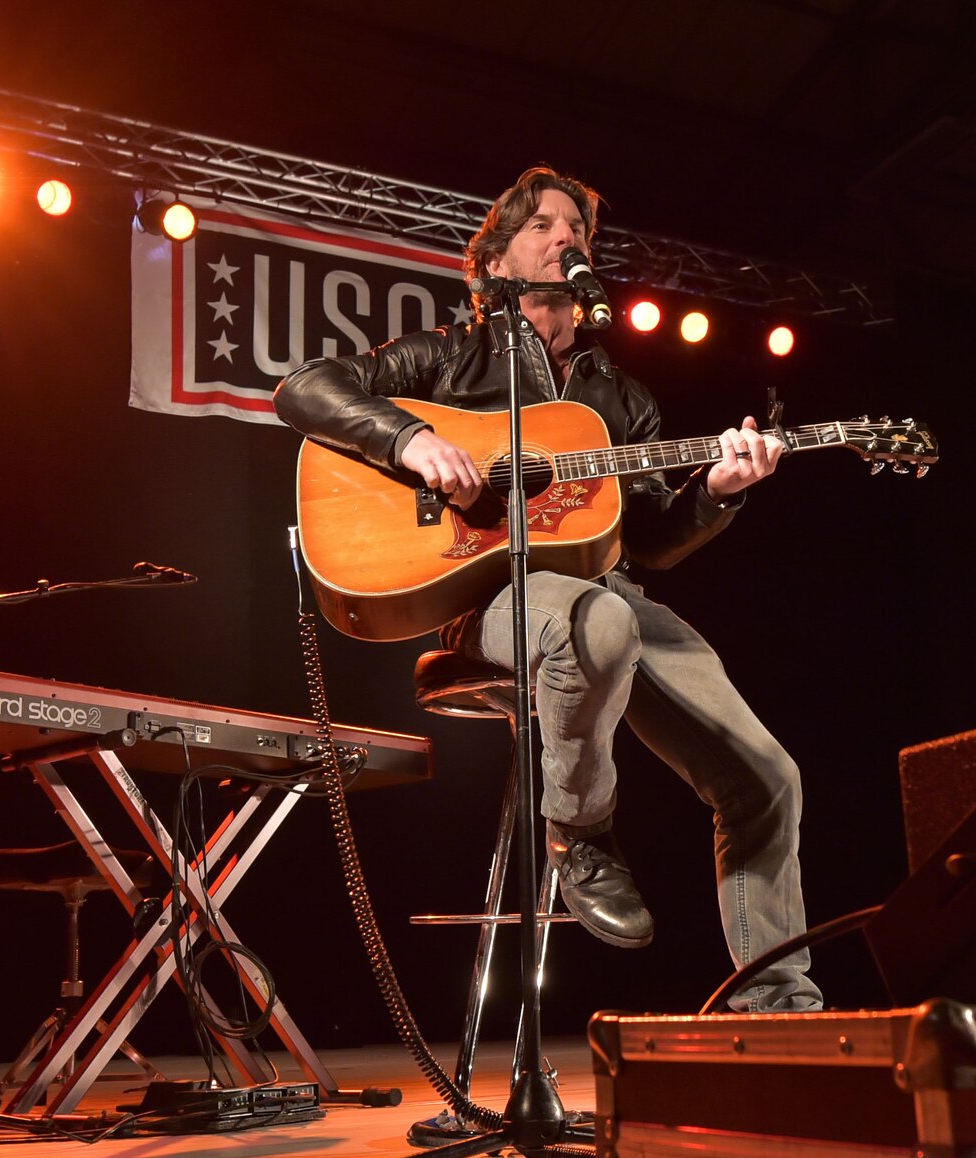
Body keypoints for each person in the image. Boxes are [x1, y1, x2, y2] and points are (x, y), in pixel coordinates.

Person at [275, 165, 819, 1013]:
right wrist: (411, 440)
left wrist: (716, 494)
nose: (566, 238)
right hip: (481, 597)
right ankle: (582, 832)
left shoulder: (621, 400)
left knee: (767, 776)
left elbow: (648, 542)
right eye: (543, 227)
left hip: (604, 590)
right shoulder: (449, 356)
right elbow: (305, 388)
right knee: (594, 624)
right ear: (497, 264)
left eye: (577, 231)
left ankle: (782, 1007)